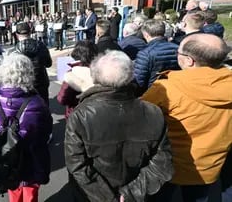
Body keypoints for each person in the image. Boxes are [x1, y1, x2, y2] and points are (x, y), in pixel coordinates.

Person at [65, 50, 173, 202]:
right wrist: (130, 194)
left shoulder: (81, 114)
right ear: (130, 77)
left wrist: (109, 198)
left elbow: (76, 165)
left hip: (92, 197)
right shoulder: (153, 112)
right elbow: (161, 163)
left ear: (94, 77)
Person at [142, 33, 232, 202]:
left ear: (189, 61)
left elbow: (139, 117)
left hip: (169, 167)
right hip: (209, 167)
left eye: (179, 52)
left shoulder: (165, 88)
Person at [0, 54, 52, 202]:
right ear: (29, 73)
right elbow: (46, 131)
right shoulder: (36, 101)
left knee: (13, 189)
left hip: (8, 155)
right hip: (31, 157)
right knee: (30, 193)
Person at [134, 19, 179, 92]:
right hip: (173, 90)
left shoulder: (145, 53)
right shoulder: (177, 48)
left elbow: (139, 80)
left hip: (152, 93)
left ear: (146, 35)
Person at [13, 21, 52, 105]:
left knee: (27, 111)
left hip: (24, 85)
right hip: (41, 82)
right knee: (44, 108)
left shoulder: (14, 51)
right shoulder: (41, 45)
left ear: (16, 35)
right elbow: (49, 64)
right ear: (30, 32)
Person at [57, 40, 98, 119]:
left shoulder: (72, 74)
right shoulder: (101, 71)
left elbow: (62, 99)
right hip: (96, 114)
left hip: (76, 115)